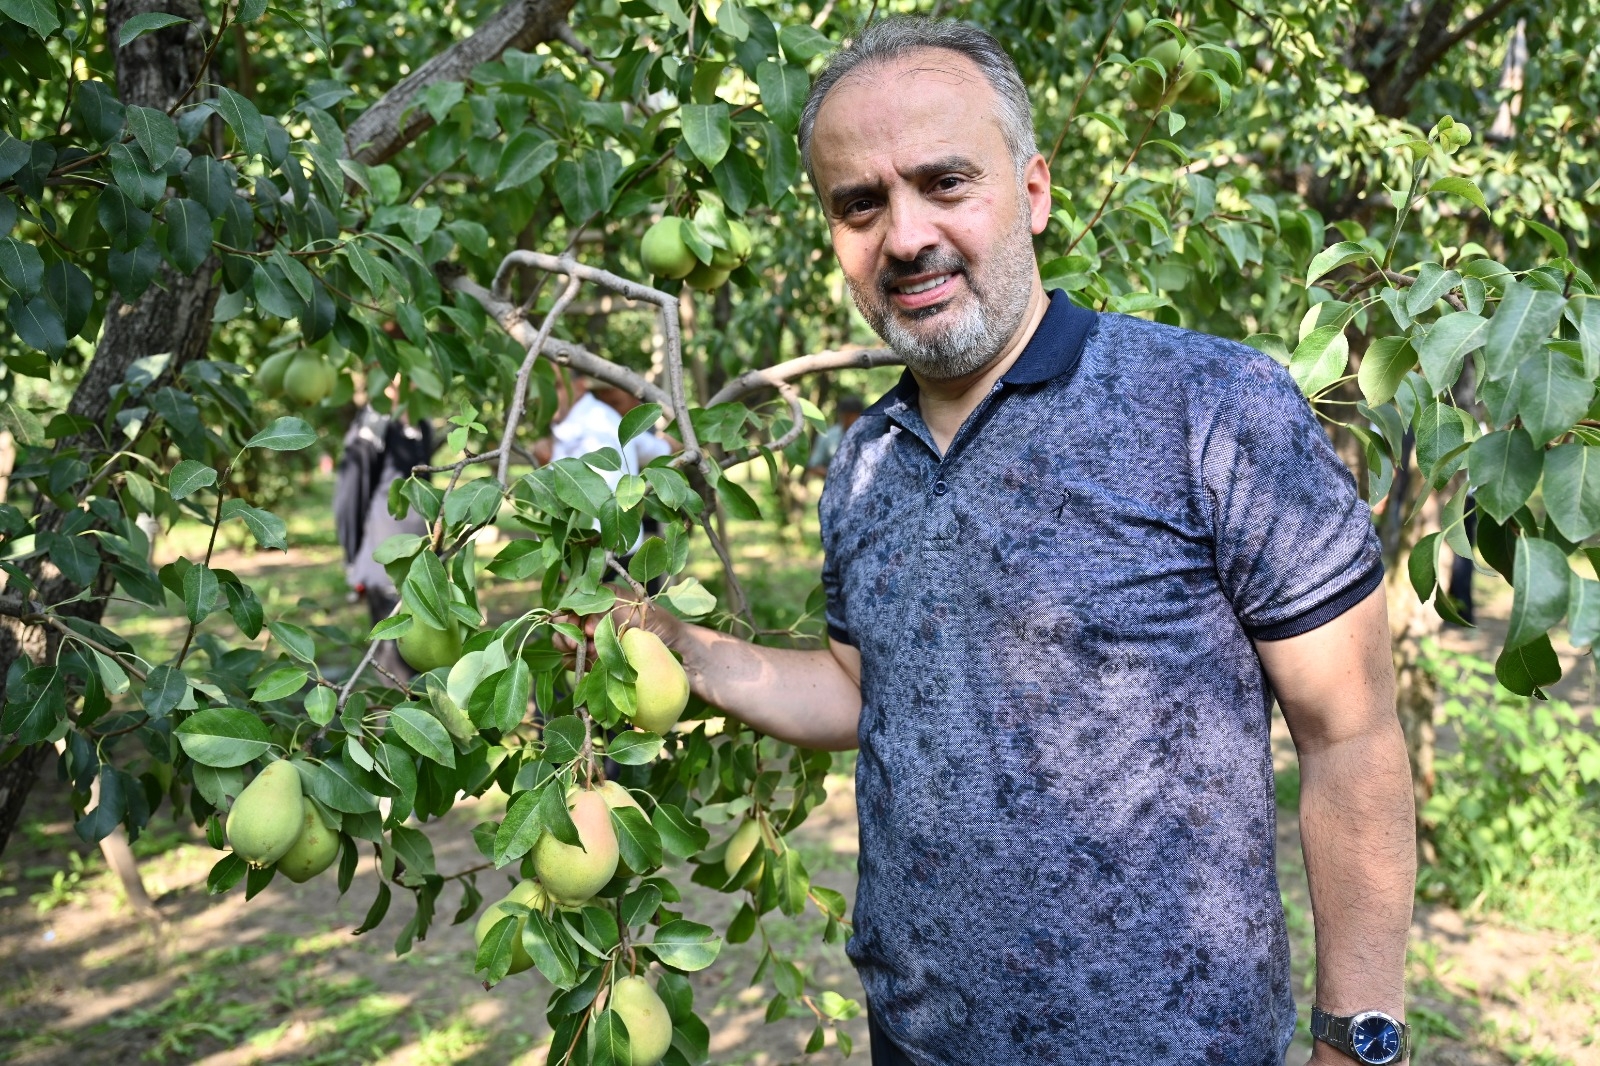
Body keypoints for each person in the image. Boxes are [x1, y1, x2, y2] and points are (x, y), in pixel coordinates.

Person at [586, 18, 1416, 1066]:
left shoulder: (1209, 405)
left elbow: (1349, 736)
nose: (905, 235)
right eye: (859, 203)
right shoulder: (866, 462)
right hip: (917, 1041)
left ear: (1031, 191)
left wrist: (1358, 1040)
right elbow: (860, 689)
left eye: (944, 182)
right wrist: (677, 644)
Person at [336, 396, 434, 679]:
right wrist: (353, 560)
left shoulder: (421, 423)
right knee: (394, 664)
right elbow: (350, 494)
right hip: (386, 566)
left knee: (426, 657)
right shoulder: (373, 425)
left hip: (423, 563)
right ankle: (393, 722)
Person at [805, 393, 866, 478]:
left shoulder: (869, 435)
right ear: (841, 415)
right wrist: (836, 475)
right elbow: (813, 465)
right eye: (847, 416)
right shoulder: (828, 436)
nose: (850, 420)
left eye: (853, 416)